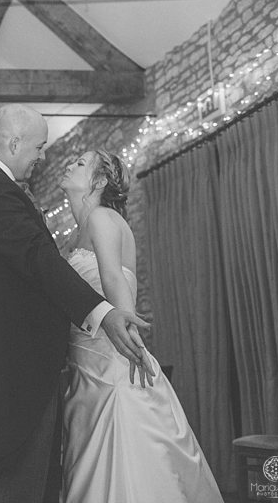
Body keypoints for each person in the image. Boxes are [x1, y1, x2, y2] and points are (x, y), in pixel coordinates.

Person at [0, 103, 153, 503]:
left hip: (31, 367)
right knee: (16, 488)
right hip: (11, 369)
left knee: (36, 486)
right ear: (14, 142)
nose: (44, 156)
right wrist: (103, 313)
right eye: (40, 147)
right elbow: (36, 260)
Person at [58, 150, 222, 502]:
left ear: (99, 182)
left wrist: (128, 333)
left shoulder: (101, 217)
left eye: (80, 163)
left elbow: (114, 276)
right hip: (84, 366)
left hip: (110, 363)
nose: (69, 164)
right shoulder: (80, 232)